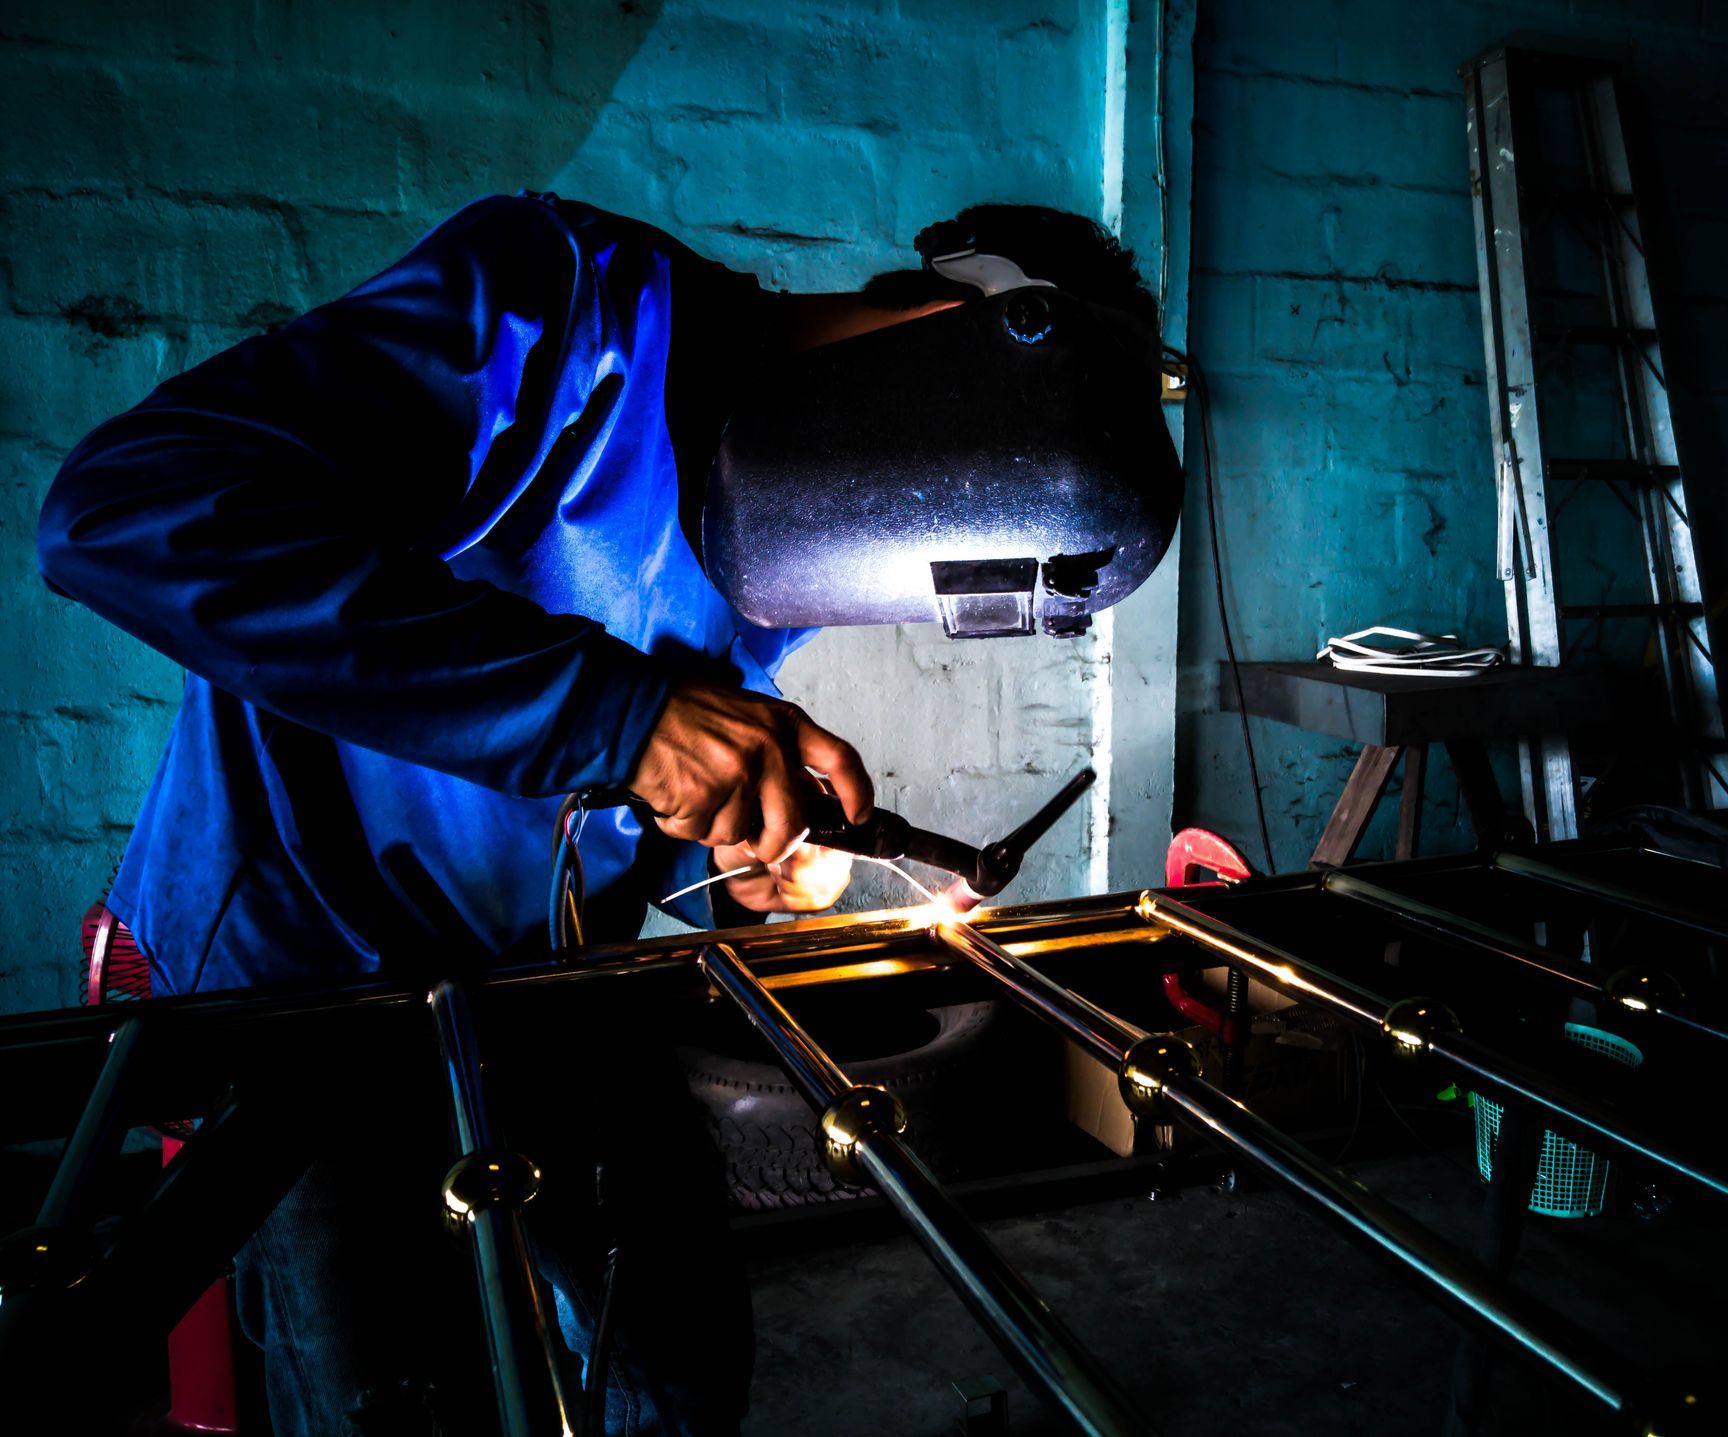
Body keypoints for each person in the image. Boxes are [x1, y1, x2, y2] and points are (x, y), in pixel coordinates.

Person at [37, 191, 1166, 1435]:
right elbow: (120, 512)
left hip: (546, 981)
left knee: (675, 1362)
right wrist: (629, 721)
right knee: (407, 1399)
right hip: (308, 980)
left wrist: (730, 838)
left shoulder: (783, 518)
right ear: (940, 323)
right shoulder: (558, 304)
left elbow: (625, 764)